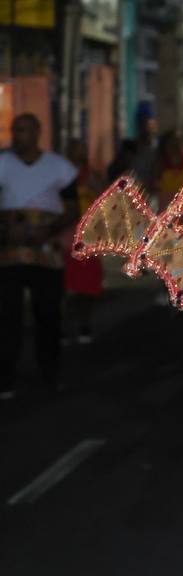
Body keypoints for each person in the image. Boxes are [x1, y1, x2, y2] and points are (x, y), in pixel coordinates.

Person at [0, 115, 79, 397]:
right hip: (9, 250)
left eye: (23, 130)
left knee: (47, 315)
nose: (17, 135)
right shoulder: (3, 164)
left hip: (47, 250)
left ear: (37, 133)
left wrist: (49, 230)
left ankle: (50, 375)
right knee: (7, 317)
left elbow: (73, 208)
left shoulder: (59, 167)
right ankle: (5, 379)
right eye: (15, 130)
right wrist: (6, 229)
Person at [63, 138, 106, 344]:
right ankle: (65, 326)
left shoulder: (92, 175)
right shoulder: (61, 175)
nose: (79, 154)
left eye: (81, 150)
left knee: (88, 285)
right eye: (75, 150)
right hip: (66, 232)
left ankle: (84, 324)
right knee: (67, 284)